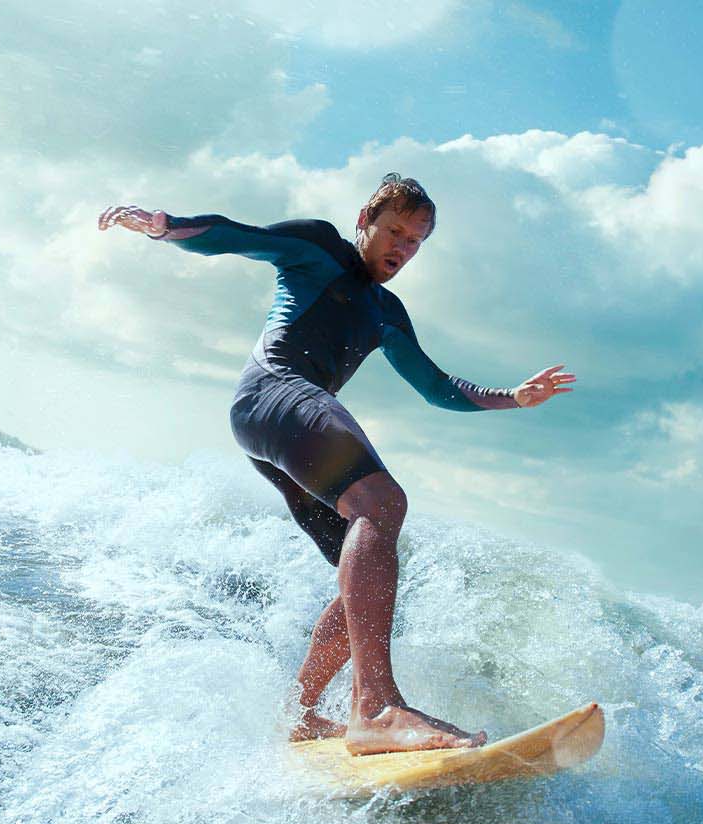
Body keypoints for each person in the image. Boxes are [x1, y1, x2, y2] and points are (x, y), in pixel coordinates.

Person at [99, 174, 574, 755]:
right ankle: (374, 707)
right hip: (274, 392)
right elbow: (238, 236)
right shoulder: (320, 249)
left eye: (417, 241)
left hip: (277, 430)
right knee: (383, 504)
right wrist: (167, 228)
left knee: (364, 574)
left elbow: (435, 386)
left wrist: (514, 397)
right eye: (394, 230)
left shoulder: (387, 312)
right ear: (364, 223)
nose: (402, 248)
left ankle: (300, 713)